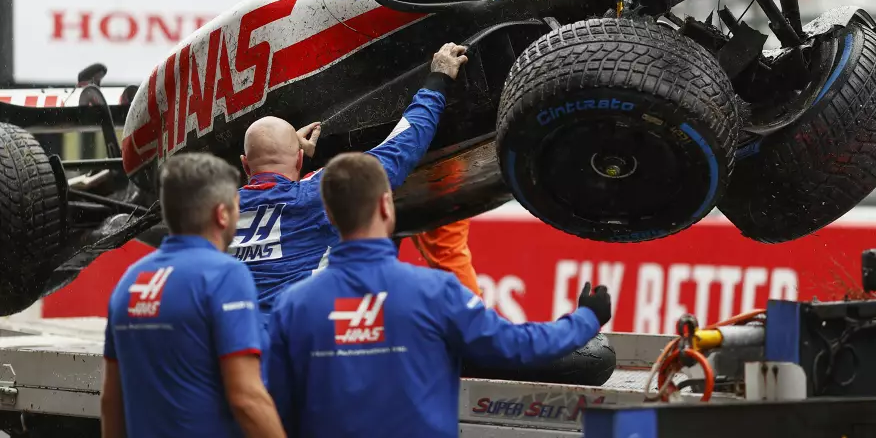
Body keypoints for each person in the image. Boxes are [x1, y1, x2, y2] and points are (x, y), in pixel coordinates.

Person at [265, 151, 612, 438]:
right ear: (387, 206)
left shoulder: (292, 306)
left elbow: (275, 404)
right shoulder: (436, 292)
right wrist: (586, 319)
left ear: (327, 214)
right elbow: (515, 346)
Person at [234, 42, 468, 322]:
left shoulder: (217, 211)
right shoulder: (318, 194)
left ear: (245, 164)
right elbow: (400, 148)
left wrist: (279, 148)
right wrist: (437, 80)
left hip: (238, 353)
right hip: (300, 348)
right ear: (300, 160)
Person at [100, 152, 285, 438]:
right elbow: (246, 399)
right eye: (236, 208)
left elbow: (111, 401)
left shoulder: (130, 282)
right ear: (222, 214)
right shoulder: (224, 274)